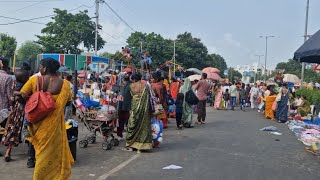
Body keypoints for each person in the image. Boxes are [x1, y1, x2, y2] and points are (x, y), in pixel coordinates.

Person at [15, 58, 74, 179]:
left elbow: (21, 95)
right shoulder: (66, 84)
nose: (39, 69)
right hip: (55, 127)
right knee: (54, 155)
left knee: (40, 154)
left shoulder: (34, 80)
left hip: (37, 125)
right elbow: (68, 103)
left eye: (41, 67)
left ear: (45, 68)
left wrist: (33, 100)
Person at [124, 73, 152, 153]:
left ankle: (131, 146)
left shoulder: (131, 86)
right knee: (143, 126)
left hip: (134, 107)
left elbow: (128, 97)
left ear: (134, 79)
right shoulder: (145, 86)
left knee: (133, 125)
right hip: (144, 108)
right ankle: (141, 147)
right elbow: (148, 97)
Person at [117, 74, 132, 139]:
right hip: (128, 107)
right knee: (129, 122)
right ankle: (129, 135)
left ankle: (120, 135)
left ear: (123, 80)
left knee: (121, 121)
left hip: (122, 106)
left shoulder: (124, 86)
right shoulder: (131, 85)